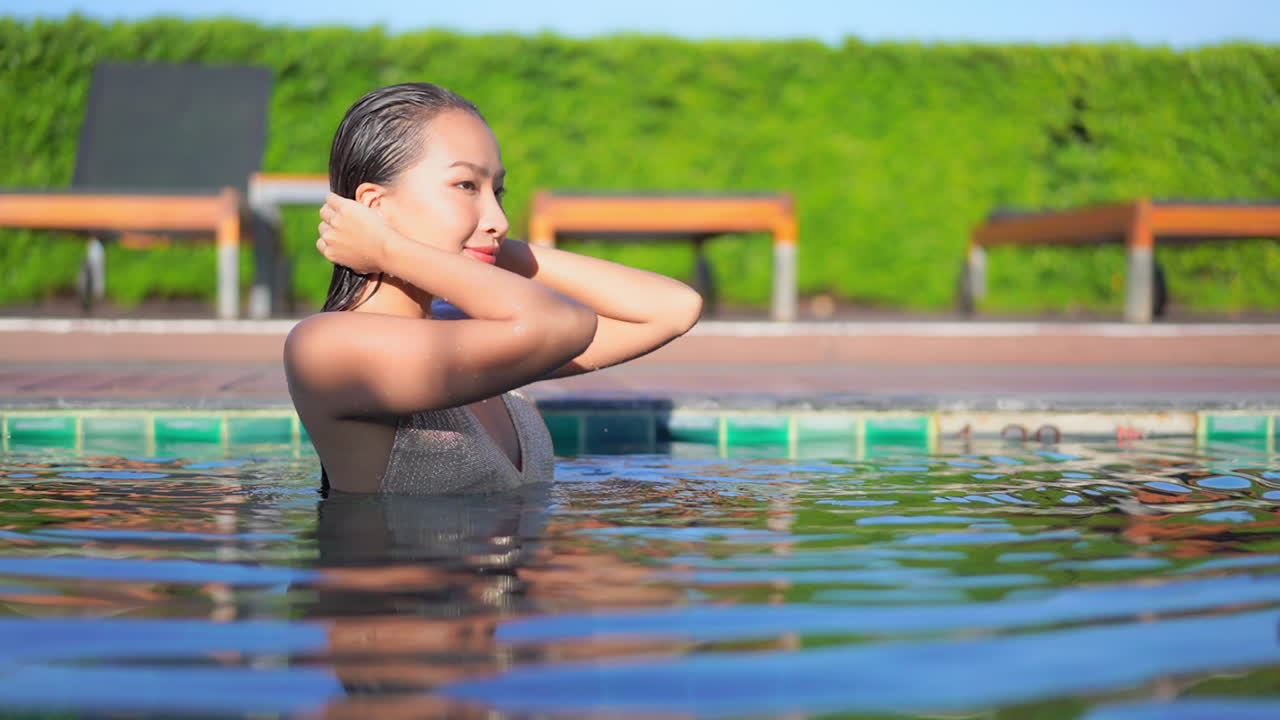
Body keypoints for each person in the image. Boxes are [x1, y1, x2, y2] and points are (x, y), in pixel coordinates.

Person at [284, 83, 702, 495]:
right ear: (375, 207)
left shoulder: (479, 331)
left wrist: (486, 246)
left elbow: (672, 308)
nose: (499, 218)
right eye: (467, 186)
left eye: (497, 191)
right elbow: (563, 323)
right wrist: (389, 248)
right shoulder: (324, 348)